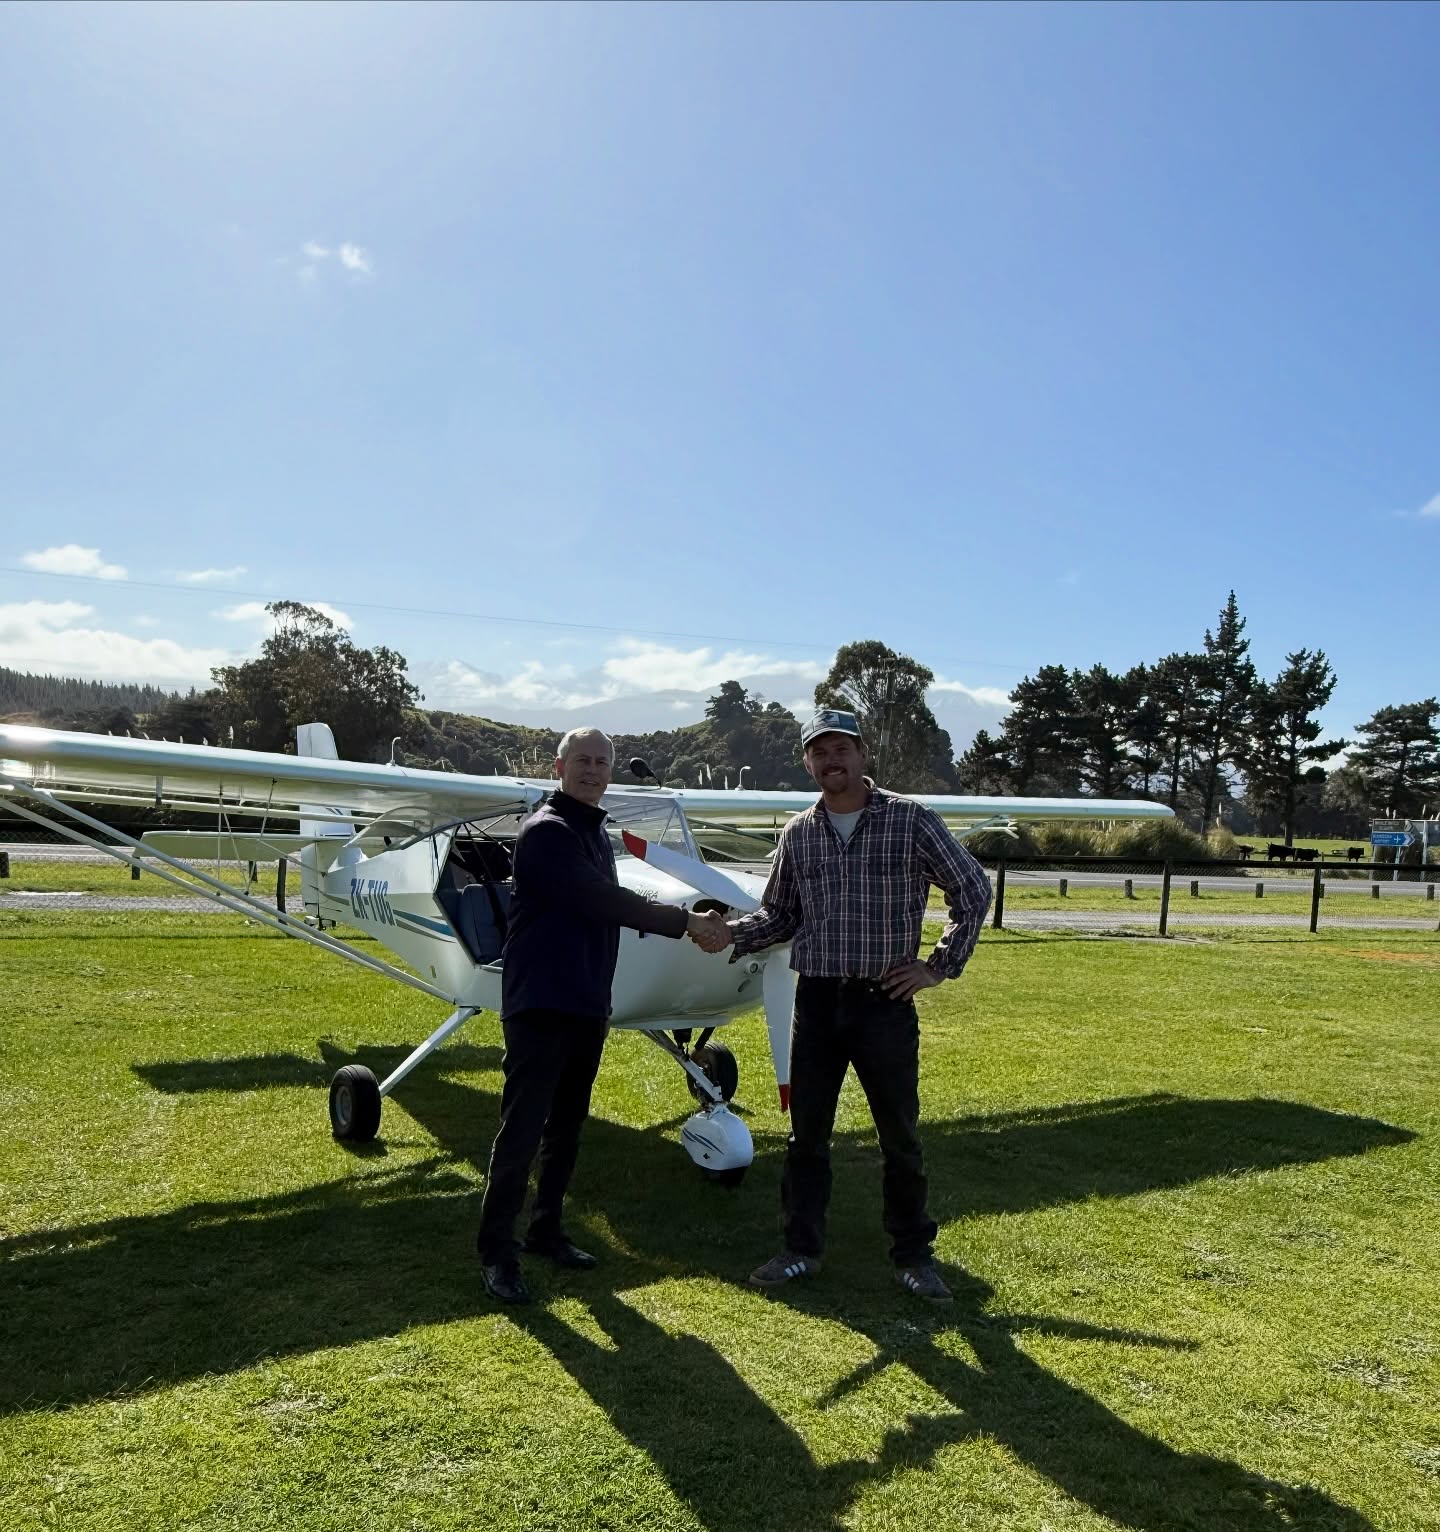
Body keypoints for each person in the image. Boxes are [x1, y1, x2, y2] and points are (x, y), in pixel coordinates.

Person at [693, 708, 992, 1303]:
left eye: (842, 749)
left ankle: (913, 1256)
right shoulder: (799, 833)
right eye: (819, 752)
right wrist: (729, 933)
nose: (831, 761)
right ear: (808, 762)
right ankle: (800, 1250)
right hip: (819, 1002)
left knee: (899, 1136)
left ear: (862, 755)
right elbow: (782, 914)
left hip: (884, 1001)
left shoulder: (910, 821)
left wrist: (936, 967)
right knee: (807, 1137)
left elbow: (972, 888)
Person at [477, 726, 720, 1304]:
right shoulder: (546, 833)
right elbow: (602, 900)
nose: (592, 770)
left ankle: (546, 1230)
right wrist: (687, 922)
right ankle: (496, 1253)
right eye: (581, 761)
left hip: (587, 1000)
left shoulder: (591, 832)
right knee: (523, 1129)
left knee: (567, 1126)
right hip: (540, 1002)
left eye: (601, 762)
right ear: (558, 767)